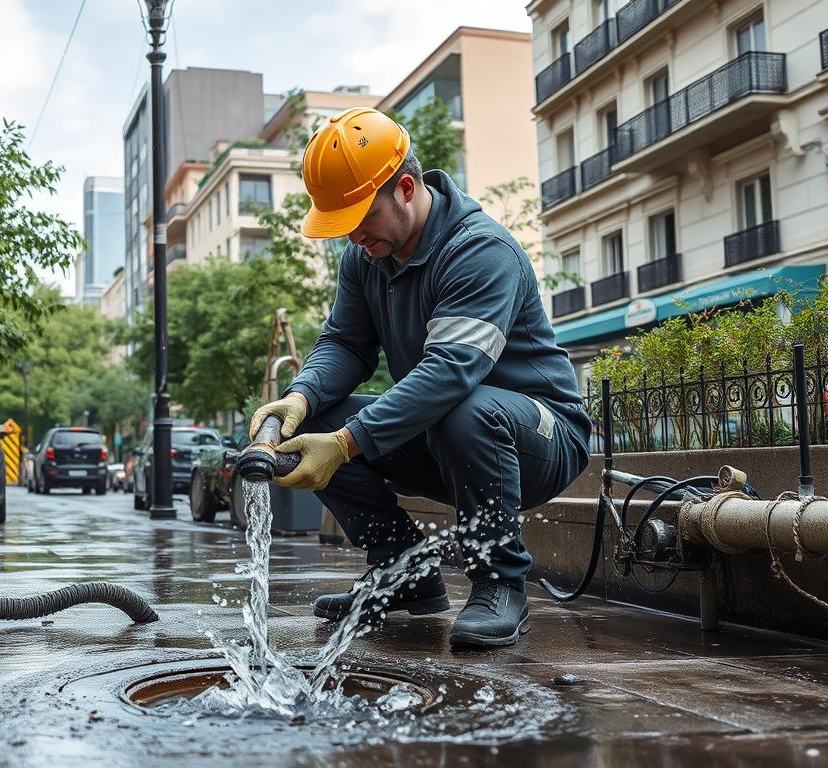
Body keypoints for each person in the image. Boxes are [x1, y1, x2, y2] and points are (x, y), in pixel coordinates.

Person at [250, 107, 590, 648]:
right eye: (344, 225)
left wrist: (345, 444)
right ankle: (403, 570)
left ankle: (500, 581)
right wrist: (300, 396)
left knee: (463, 408)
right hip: (445, 430)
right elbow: (344, 344)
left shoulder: (479, 250)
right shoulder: (365, 258)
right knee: (320, 418)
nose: (355, 236)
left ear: (405, 188)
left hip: (540, 439)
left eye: (362, 218)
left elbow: (452, 371)